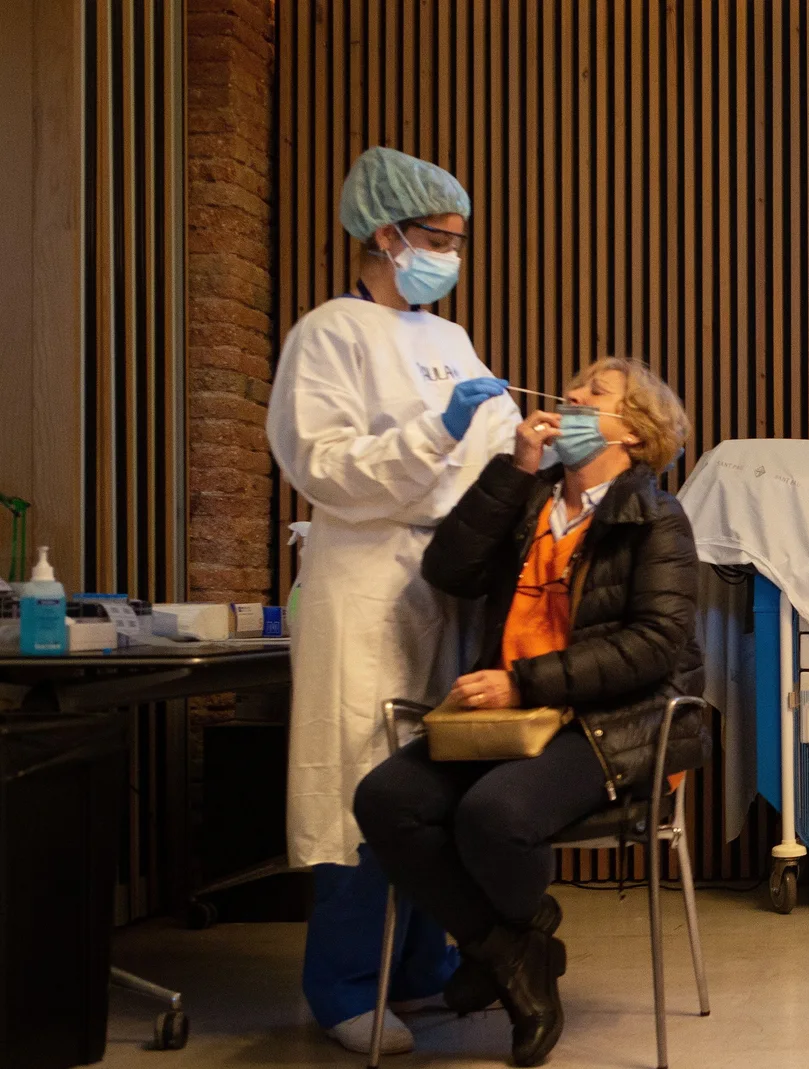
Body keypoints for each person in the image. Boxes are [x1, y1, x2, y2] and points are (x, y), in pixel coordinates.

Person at [354, 358, 710, 1068]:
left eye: (595, 393)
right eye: (573, 386)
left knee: (494, 814)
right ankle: (517, 945)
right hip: (508, 720)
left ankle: (505, 954)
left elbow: (652, 645)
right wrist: (513, 469)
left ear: (634, 434)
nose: (572, 396)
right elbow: (448, 571)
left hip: (611, 723)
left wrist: (524, 683)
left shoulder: (657, 518)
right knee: (385, 798)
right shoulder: (527, 499)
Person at [266, 146, 519, 1054]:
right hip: (364, 577)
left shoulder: (449, 342)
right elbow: (323, 467)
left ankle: (420, 969)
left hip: (444, 577)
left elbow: (497, 448)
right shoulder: (327, 333)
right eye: (440, 239)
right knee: (358, 778)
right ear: (387, 233)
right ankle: (341, 984)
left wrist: (539, 446)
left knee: (431, 778)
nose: (452, 256)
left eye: (457, 241)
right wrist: (433, 431)